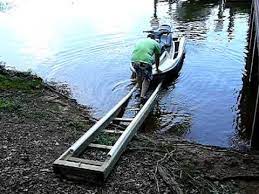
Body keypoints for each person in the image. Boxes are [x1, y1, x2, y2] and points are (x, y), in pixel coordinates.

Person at [131, 34, 161, 104]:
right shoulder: (156, 43)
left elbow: (136, 51)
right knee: (147, 78)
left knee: (138, 75)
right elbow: (157, 58)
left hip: (134, 60)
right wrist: (157, 68)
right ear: (154, 38)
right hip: (145, 61)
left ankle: (140, 89)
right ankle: (142, 96)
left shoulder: (139, 41)